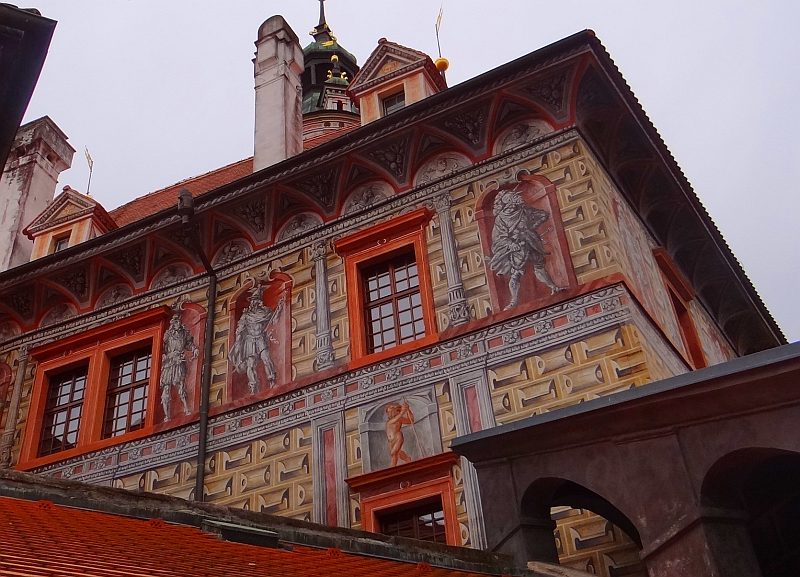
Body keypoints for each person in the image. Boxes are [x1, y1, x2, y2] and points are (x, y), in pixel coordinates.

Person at [489, 183, 563, 309]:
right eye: (513, 197)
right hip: (517, 247)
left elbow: (543, 215)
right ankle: (514, 301)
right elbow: (499, 237)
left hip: (531, 242)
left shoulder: (524, 210)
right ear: (507, 202)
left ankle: (553, 287)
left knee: (539, 267)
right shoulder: (500, 219)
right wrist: (511, 244)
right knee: (516, 273)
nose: (517, 198)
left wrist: (531, 227)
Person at [230, 286, 282, 394]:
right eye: (253, 300)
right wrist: (238, 343)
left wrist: (279, 309)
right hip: (250, 341)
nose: (254, 302)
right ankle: (253, 387)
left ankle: (272, 381)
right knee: (251, 364)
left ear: (259, 301)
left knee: (266, 358)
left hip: (260, 339)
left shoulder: (266, 312)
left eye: (256, 300)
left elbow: (274, 321)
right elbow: (240, 329)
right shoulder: (246, 315)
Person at [159, 312, 198, 420]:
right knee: (166, 388)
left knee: (181, 385)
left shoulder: (184, 333)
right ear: (172, 323)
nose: (177, 323)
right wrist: (163, 355)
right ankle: (167, 416)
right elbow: (161, 347)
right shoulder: (168, 334)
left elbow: (189, 343)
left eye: (178, 321)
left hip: (179, 360)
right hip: (169, 362)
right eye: (175, 322)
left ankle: (186, 409)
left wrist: (194, 349)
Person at [384, 400, 415, 467]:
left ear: (395, 411)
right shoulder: (390, 421)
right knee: (398, 453)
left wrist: (408, 410)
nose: (389, 414)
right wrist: (403, 411)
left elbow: (411, 420)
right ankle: (407, 459)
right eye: (388, 413)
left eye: (391, 412)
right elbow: (394, 420)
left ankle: (392, 468)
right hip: (391, 441)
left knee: (393, 453)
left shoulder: (399, 419)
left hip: (398, 437)